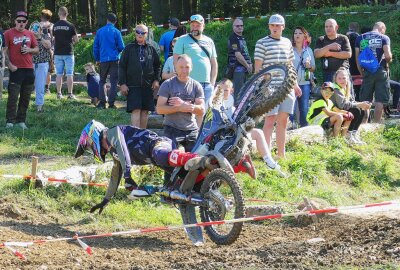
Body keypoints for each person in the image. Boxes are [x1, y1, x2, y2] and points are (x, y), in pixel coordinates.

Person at [74, 120, 203, 213]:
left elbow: (123, 148)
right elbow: (115, 176)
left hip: (157, 145)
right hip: (158, 161)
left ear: (94, 135)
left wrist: (128, 175)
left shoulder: (113, 132)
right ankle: (207, 183)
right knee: (176, 189)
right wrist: (105, 200)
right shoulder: (115, 153)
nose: (92, 149)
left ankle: (196, 158)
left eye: (90, 145)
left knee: (159, 155)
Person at [213, 79, 287, 177]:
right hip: (223, 136)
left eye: (226, 90)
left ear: (231, 90)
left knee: (258, 133)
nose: (223, 93)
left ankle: (270, 162)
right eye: (220, 90)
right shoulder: (215, 102)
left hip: (235, 132)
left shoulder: (231, 101)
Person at [254, 14, 302, 159]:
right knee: (270, 120)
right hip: (270, 88)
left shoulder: (287, 42)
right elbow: (258, 69)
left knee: (283, 121)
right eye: (272, 25)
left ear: (283, 27)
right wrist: (264, 87)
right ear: (269, 26)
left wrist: (295, 85)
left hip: (286, 87)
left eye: (278, 25)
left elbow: (290, 66)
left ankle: (281, 155)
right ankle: (265, 155)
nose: (275, 28)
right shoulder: (261, 43)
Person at [157, 54, 205, 152]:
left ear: (191, 68)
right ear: (175, 68)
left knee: (195, 159)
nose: (184, 70)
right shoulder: (167, 84)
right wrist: (179, 108)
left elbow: (201, 110)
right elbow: (159, 109)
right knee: (171, 160)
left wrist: (186, 105)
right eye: (181, 67)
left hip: (191, 130)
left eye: (187, 67)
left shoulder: (196, 86)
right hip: (171, 128)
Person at [119, 24, 161, 128]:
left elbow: (158, 65)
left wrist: (156, 80)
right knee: (136, 110)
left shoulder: (151, 48)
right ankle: (135, 135)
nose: (140, 34)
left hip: (148, 85)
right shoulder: (128, 48)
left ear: (147, 34)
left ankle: (142, 135)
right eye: (138, 32)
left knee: (145, 111)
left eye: (143, 33)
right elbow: (121, 66)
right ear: (135, 33)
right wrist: (122, 83)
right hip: (133, 85)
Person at [4, 11, 39, 129]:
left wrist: (29, 50)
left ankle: (21, 121)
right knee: (13, 97)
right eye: (19, 21)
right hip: (16, 69)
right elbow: (3, 51)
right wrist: (9, 65)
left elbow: (37, 49)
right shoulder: (8, 33)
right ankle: (10, 121)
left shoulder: (30, 34)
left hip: (29, 69)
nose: (21, 23)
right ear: (15, 21)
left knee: (26, 97)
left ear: (26, 22)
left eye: (23, 21)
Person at [173, 14, 218, 107]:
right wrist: (182, 81)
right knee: (188, 114)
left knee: (204, 115)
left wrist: (212, 83)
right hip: (188, 83)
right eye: (193, 25)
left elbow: (214, 64)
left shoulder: (209, 41)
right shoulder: (182, 40)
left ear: (203, 26)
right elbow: (176, 62)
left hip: (206, 85)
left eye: (198, 25)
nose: (194, 28)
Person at [355, 21, 392, 123]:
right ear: (382, 28)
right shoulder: (384, 38)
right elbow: (388, 56)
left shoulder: (360, 38)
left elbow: (358, 59)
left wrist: (362, 73)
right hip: (381, 70)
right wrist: (388, 62)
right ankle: (376, 124)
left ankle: (364, 124)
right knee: (379, 100)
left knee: (365, 99)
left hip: (367, 71)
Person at [93, 13, 125, 109]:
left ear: (107, 20)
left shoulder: (99, 31)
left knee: (102, 81)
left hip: (103, 60)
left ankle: (102, 103)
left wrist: (97, 58)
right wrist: (116, 53)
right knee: (114, 82)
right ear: (115, 22)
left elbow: (95, 47)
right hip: (114, 59)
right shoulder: (116, 32)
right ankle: (111, 103)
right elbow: (121, 47)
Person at [331, 68, 371, 144]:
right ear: (335, 79)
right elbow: (343, 105)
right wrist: (359, 104)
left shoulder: (346, 87)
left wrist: (363, 103)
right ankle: (348, 135)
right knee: (355, 110)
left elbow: (351, 101)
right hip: (335, 113)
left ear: (347, 79)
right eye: (339, 78)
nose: (342, 80)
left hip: (342, 111)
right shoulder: (336, 89)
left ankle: (353, 133)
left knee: (362, 109)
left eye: (344, 78)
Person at [291, 26, 316, 128]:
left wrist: (309, 66)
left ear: (304, 36)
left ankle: (304, 129)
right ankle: (289, 129)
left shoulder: (308, 50)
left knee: (304, 108)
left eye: (300, 33)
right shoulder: (289, 50)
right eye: (295, 33)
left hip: (305, 83)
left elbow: (313, 68)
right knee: (290, 108)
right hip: (291, 83)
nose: (297, 35)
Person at [53, 6, 79, 99]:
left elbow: (53, 38)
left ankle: (59, 94)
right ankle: (69, 94)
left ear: (59, 14)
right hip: (68, 52)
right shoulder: (70, 25)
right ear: (67, 14)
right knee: (69, 74)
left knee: (59, 74)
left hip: (57, 52)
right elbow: (76, 40)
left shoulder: (55, 26)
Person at [227, 18, 252, 101]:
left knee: (244, 94)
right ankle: (236, 112)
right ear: (233, 27)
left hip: (243, 70)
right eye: (237, 26)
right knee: (239, 96)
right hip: (238, 70)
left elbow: (245, 53)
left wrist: (249, 64)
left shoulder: (241, 38)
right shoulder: (233, 38)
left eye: (241, 25)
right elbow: (238, 55)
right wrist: (248, 66)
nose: (240, 27)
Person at [32, 22, 52, 112]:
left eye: (37, 28)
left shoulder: (45, 36)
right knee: (27, 85)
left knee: (40, 86)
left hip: (42, 64)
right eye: (33, 28)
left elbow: (48, 46)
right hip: (30, 64)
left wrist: (39, 37)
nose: (35, 30)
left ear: (41, 29)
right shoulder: (28, 36)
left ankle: (39, 106)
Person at [40, 9, 54, 94]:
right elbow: (53, 37)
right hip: (49, 49)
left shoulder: (38, 25)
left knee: (38, 68)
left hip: (39, 49)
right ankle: (47, 88)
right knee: (49, 69)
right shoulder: (52, 25)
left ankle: (37, 87)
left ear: (42, 16)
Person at [0, 26, 5, 100]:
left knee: (0, 77)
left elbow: (3, 47)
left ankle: (0, 95)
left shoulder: (1, 32)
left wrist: (3, 59)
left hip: (0, 58)